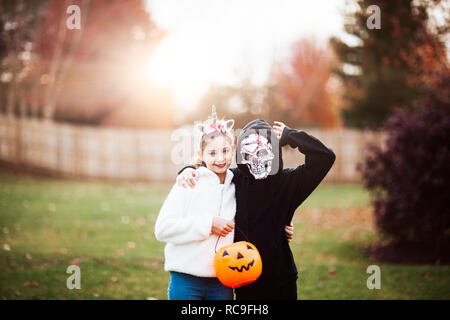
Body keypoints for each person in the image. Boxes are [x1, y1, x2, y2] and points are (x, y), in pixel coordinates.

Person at [177, 119, 335, 300]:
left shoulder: (290, 183)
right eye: (248, 154)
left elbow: (325, 157)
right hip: (243, 276)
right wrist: (188, 170)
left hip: (281, 279)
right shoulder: (234, 179)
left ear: (274, 152)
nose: (256, 160)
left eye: (261, 152)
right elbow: (209, 170)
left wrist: (290, 136)